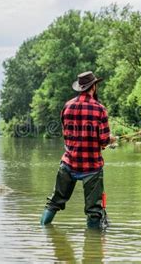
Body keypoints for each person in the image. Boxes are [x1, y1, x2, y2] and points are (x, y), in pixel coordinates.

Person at [40, 71, 115, 229]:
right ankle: (92, 247)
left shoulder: (67, 106)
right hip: (92, 167)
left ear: (80, 87)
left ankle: (42, 231)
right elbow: (103, 141)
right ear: (93, 87)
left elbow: (66, 134)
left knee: (54, 202)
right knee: (94, 210)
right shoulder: (100, 109)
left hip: (68, 163)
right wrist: (110, 140)